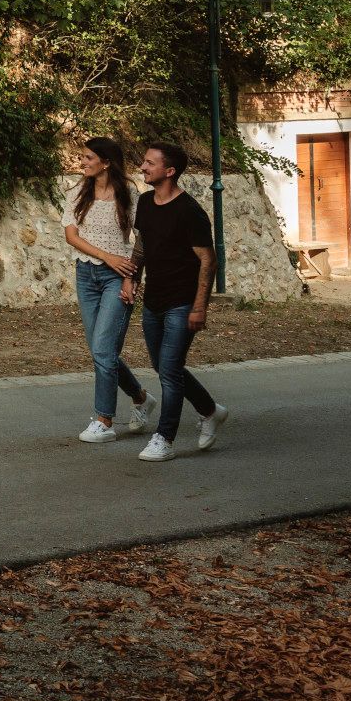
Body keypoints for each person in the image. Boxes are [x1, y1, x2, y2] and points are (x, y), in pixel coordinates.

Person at [127, 141, 226, 463]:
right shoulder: (144, 202)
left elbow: (208, 260)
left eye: (149, 163)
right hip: (154, 301)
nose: (142, 167)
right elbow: (142, 245)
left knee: (169, 370)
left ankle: (164, 438)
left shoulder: (190, 211)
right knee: (164, 366)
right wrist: (132, 278)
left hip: (182, 303)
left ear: (169, 171)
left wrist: (200, 307)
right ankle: (210, 410)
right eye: (144, 162)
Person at [60, 136, 153, 441]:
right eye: (82, 157)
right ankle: (140, 398)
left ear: (106, 162)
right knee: (102, 350)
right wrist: (106, 256)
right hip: (86, 275)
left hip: (119, 277)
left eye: (88, 157)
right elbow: (72, 237)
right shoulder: (77, 193)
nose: (82, 162)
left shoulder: (129, 195)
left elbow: (142, 240)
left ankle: (104, 421)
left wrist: (131, 277)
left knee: (102, 349)